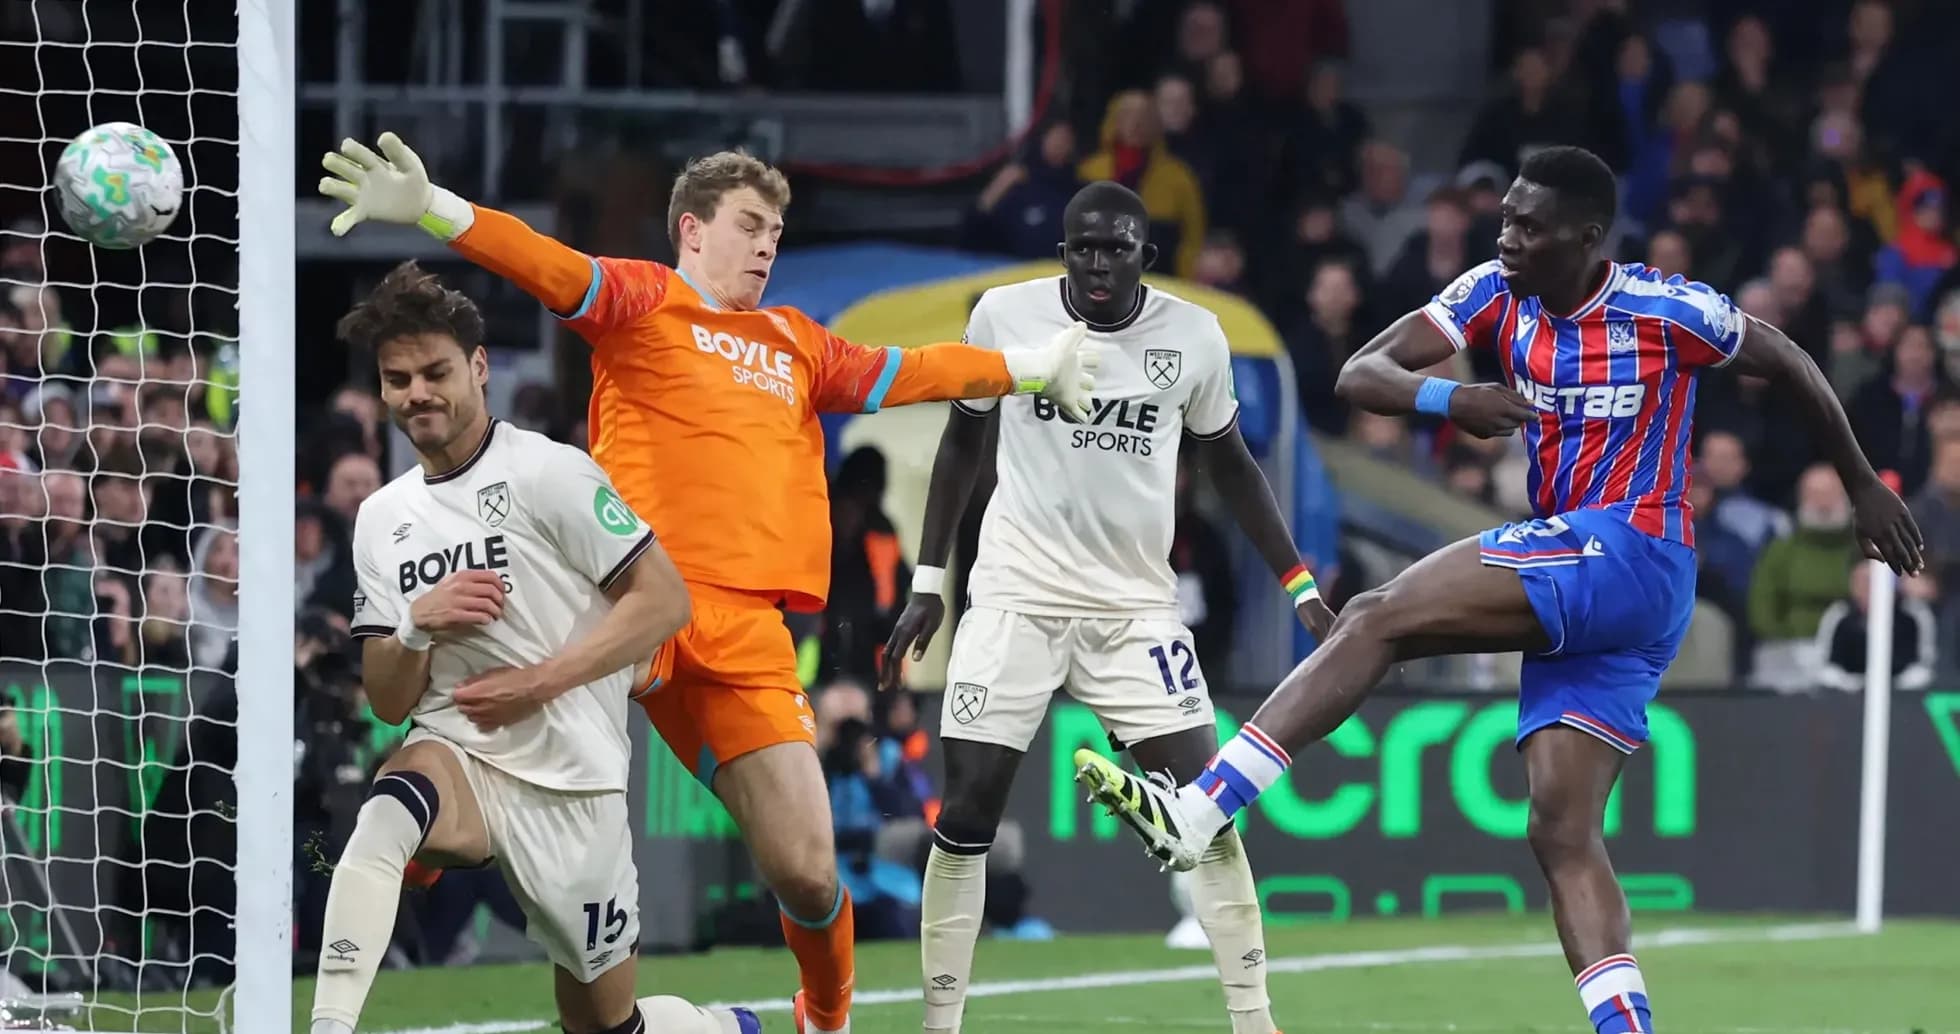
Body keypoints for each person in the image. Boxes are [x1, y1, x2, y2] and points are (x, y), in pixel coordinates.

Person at [1072, 147, 1924, 1034]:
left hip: (1632, 548)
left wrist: (1861, 483)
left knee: (1375, 616)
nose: (1507, 236)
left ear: (1589, 238)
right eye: (1506, 218)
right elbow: (1360, 372)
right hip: (1596, 598)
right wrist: (1451, 401)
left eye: (1529, 224)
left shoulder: (1663, 308)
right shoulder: (1492, 291)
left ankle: (1199, 809)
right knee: (1561, 830)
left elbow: (1784, 357)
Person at [317, 133, 1100, 1034]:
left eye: (777, 230)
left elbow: (910, 372)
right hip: (622, 603)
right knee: (468, 702)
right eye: (752, 225)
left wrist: (1030, 368)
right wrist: (433, 208)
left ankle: (824, 1018)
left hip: (743, 638)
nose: (769, 244)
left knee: (808, 872)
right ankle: (406, 854)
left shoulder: (797, 344)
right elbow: (546, 266)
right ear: (692, 229)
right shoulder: (643, 299)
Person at [880, 181, 1334, 1034]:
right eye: (1082, 247)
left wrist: (1300, 587)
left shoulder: (1193, 335)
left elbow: (1231, 462)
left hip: (1135, 611)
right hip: (1016, 592)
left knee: (1207, 807)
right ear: (1063, 251)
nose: (1097, 263)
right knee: (968, 808)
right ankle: (938, 1025)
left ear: (1143, 257)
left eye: (1115, 248)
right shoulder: (1004, 317)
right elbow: (964, 439)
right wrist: (928, 582)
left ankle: (1254, 1020)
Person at [309, 263, 752, 1034]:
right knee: (388, 807)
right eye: (398, 378)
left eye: (436, 372)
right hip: (463, 752)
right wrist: (416, 625)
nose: (418, 393)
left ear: (479, 369)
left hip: (575, 782)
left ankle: (721, 1029)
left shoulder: (551, 474)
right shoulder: (382, 517)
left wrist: (539, 683)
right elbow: (386, 698)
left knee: (605, 1027)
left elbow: (664, 601)